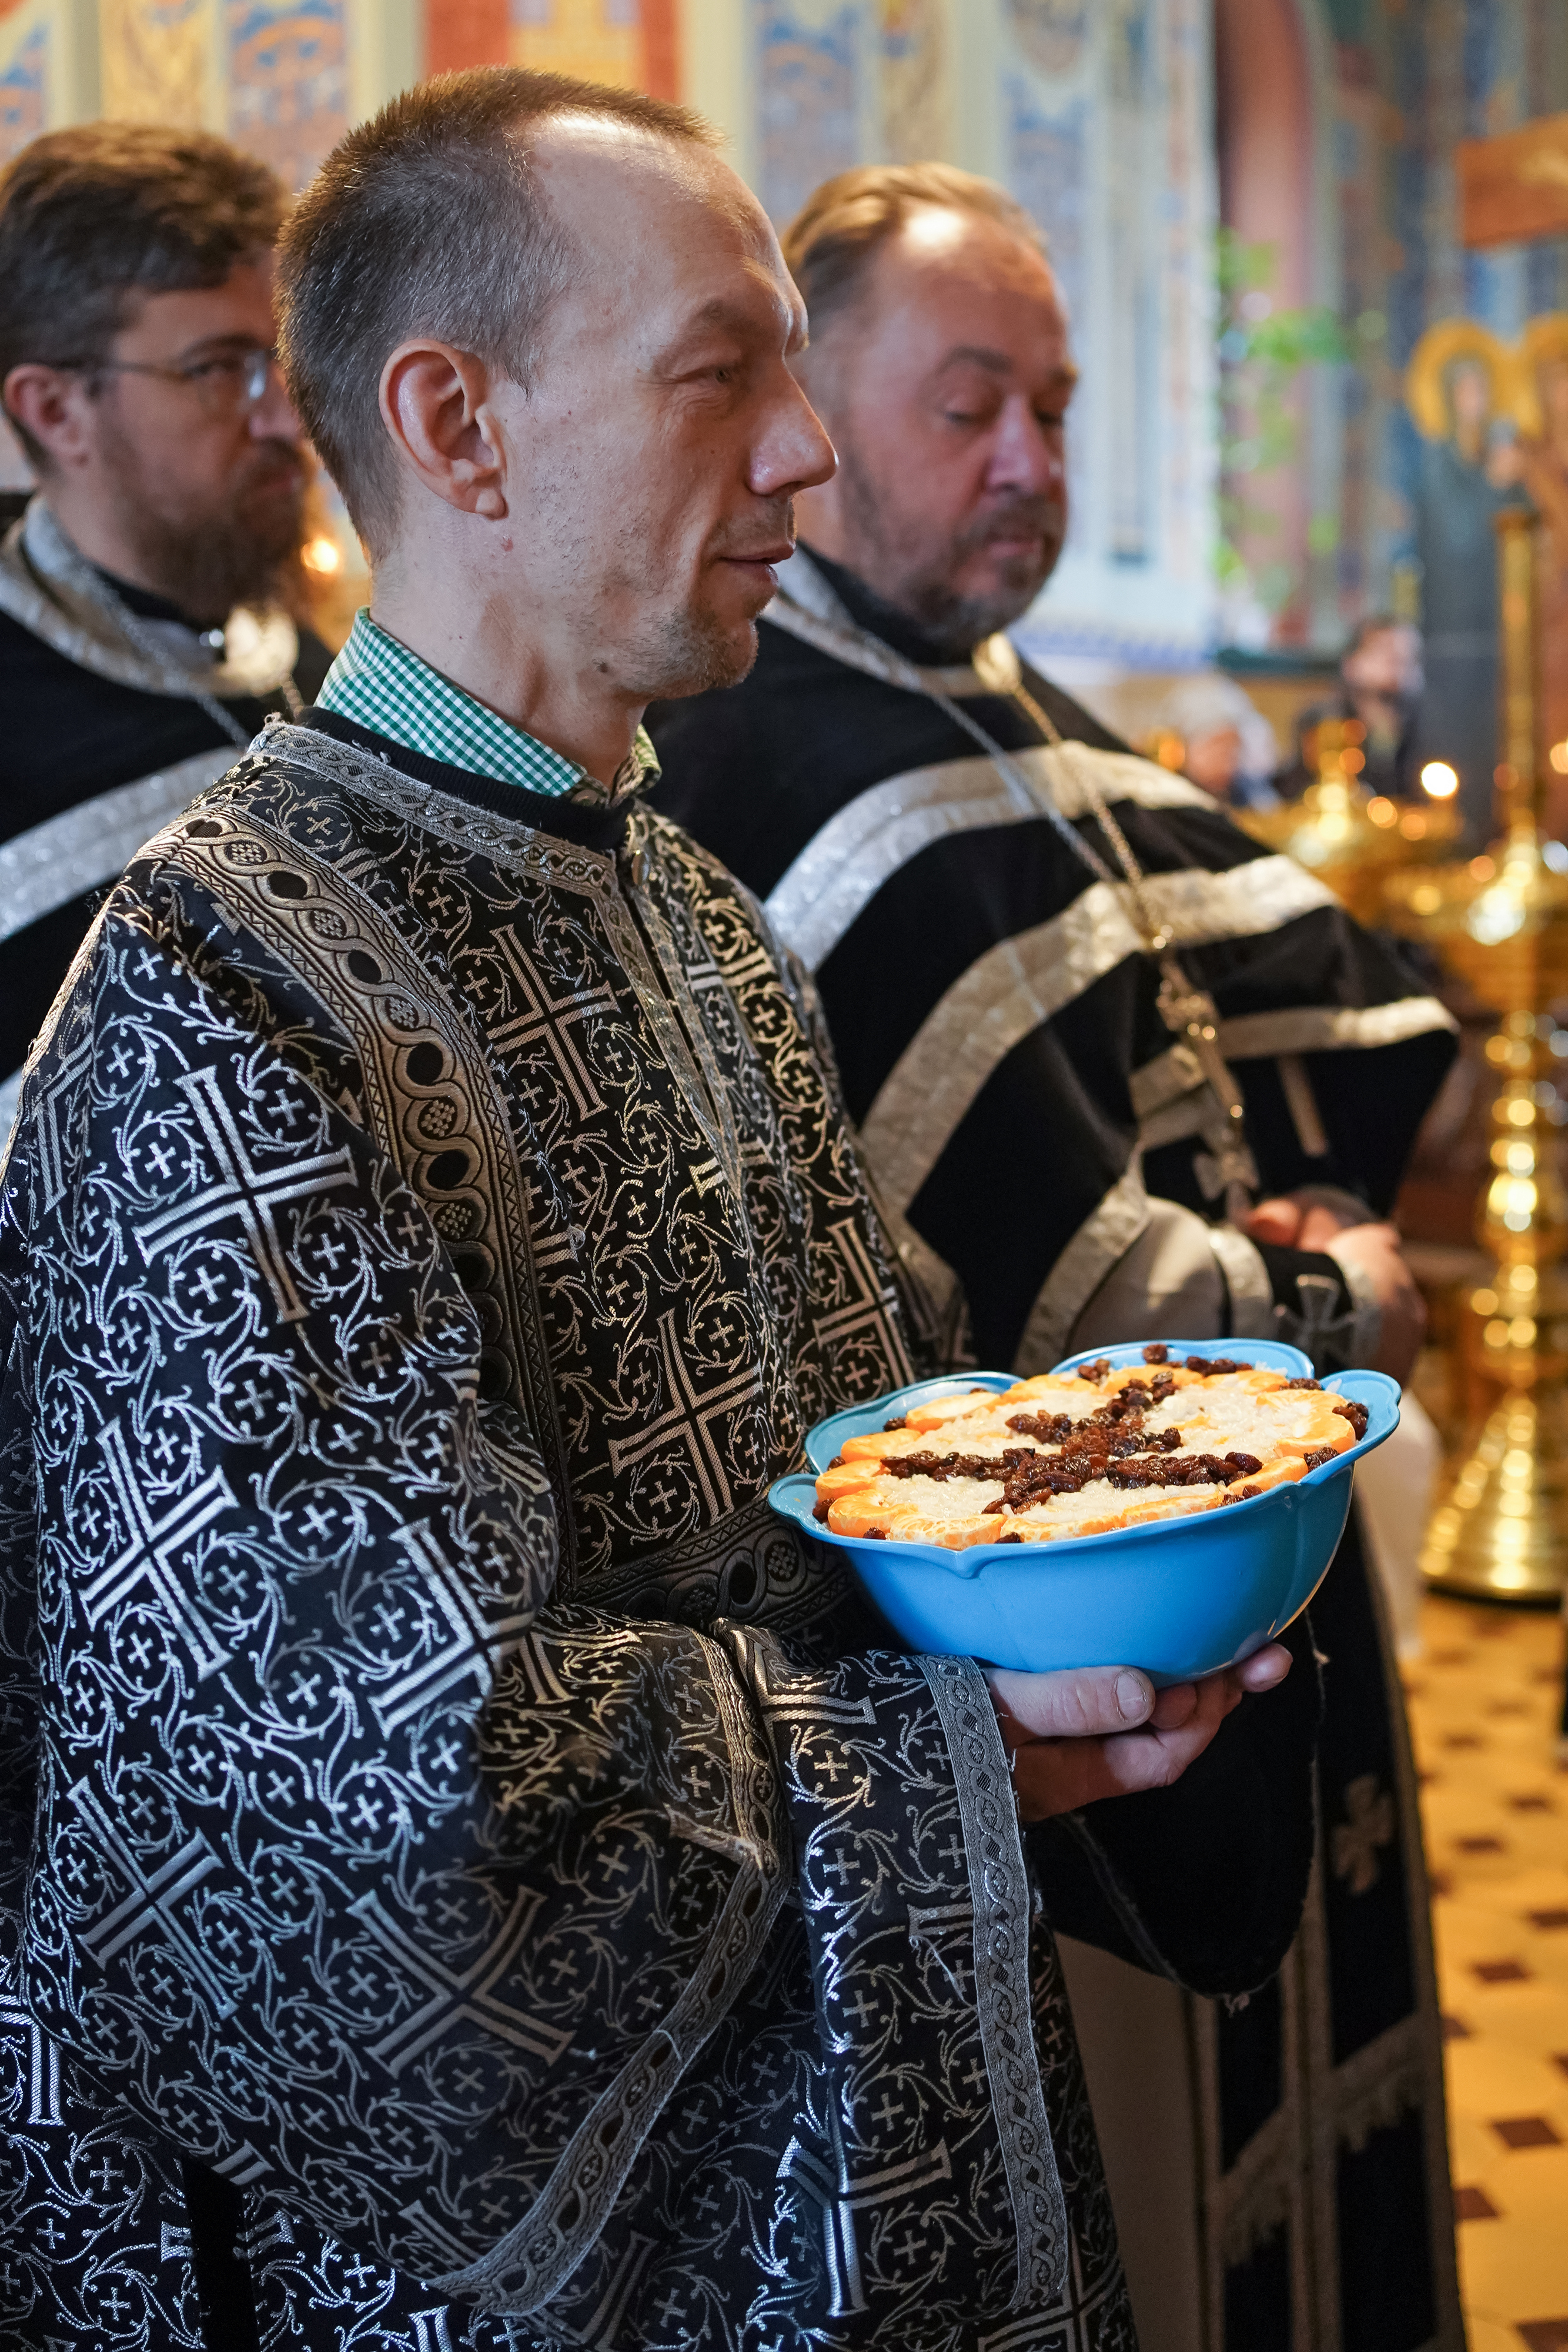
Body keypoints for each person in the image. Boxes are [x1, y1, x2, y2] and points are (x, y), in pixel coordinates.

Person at [0, 71, 1313, 2352]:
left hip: (878, 2161)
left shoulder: (691, 910)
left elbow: (871, 1451)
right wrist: (962, 1746)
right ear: (459, 424)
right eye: (727, 372)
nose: (806, 452)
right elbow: (358, 1821)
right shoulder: (222, 993)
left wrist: (1099, 1541)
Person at [649, 162, 1463, 2352]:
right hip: (1057, 1662)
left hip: (1254, 1557)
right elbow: (1047, 1298)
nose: (1032, 464)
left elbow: (1280, 1019)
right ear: (805, 409)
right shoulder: (788, 757)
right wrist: (1341, 1301)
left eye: (1060, 405)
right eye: (967, 404)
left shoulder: (998, 704)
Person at [0, 123, 330, 1136]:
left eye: (284, 360)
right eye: (221, 368)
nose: (284, 419)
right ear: (56, 410)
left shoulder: (311, 665)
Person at [1279, 614, 1425, 804]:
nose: (1397, 664)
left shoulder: (1428, 730)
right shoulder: (1323, 722)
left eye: (1408, 657)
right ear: (1351, 663)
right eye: (1385, 651)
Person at [1146, 671, 1281, 810]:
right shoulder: (1159, 806)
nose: (1227, 764)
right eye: (1216, 747)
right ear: (1178, 748)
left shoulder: (1249, 799)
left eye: (1233, 749)